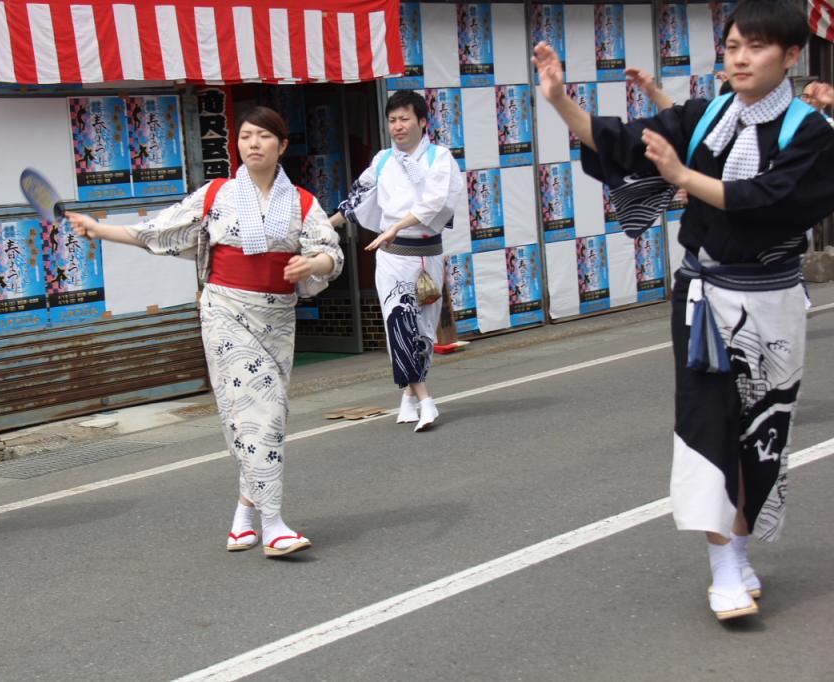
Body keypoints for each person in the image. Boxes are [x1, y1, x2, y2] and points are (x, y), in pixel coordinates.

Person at [534, 0, 834, 621]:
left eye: (756, 46)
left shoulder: (811, 132)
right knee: (707, 429)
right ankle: (722, 565)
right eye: (731, 47)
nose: (742, 58)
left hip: (772, 298)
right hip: (703, 296)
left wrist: (683, 177)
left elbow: (770, 200)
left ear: (791, 55)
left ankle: (742, 548)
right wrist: (560, 100)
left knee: (761, 434)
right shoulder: (705, 118)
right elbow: (620, 144)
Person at [66, 107, 343, 558]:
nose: (252, 143)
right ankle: (273, 524)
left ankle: (242, 514)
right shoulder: (217, 194)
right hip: (225, 311)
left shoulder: (304, 203)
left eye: (263, 136)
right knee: (261, 415)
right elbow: (157, 231)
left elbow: (330, 254)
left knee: (254, 415)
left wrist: (313, 264)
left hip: (277, 317)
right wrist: (100, 229)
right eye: (246, 136)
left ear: (282, 146)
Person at [330, 91, 464, 432]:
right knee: (399, 323)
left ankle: (407, 397)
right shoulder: (382, 160)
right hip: (392, 257)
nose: (398, 126)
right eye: (392, 120)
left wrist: (396, 226)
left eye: (404, 118)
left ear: (422, 121)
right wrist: (324, 224)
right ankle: (426, 399)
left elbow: (436, 204)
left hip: (427, 254)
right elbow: (357, 199)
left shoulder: (440, 158)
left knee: (423, 330)